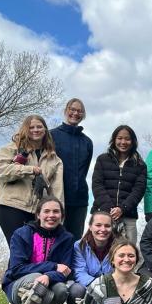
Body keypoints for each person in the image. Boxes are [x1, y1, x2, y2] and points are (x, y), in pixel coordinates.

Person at [1, 196, 73, 304]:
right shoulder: (21, 234)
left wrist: (48, 276)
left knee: (62, 289)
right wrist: (52, 266)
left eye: (56, 212)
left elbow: (65, 270)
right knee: (35, 277)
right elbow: (16, 269)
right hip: (19, 287)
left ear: (62, 216)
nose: (51, 215)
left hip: (49, 285)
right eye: (46, 211)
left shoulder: (67, 238)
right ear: (38, 214)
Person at [0, 115, 64, 245]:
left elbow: (57, 191)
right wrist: (29, 170)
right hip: (11, 206)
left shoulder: (54, 159)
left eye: (39, 127)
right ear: (25, 129)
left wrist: (59, 214)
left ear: (45, 130)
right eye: (31, 127)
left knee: (34, 252)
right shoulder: (12, 148)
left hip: (38, 211)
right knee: (19, 248)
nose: (35, 130)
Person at [90, 125, 147, 243]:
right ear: (114, 140)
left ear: (133, 141)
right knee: (97, 249)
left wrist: (122, 208)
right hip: (102, 213)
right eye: (119, 138)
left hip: (128, 215)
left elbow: (139, 190)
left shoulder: (140, 165)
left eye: (127, 139)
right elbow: (97, 185)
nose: (123, 142)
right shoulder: (102, 159)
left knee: (128, 251)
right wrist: (111, 209)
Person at [51, 98, 94, 242]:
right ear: (66, 111)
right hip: (56, 197)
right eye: (72, 109)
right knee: (54, 240)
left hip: (79, 200)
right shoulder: (51, 136)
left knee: (74, 241)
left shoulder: (87, 142)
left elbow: (84, 170)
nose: (76, 113)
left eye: (80, 111)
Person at [68, 212, 115, 304]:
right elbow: (79, 272)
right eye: (98, 225)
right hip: (88, 288)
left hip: (111, 288)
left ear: (112, 228)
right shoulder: (79, 246)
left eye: (107, 226)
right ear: (90, 227)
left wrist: (107, 286)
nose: (103, 229)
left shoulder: (118, 246)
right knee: (76, 290)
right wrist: (98, 285)